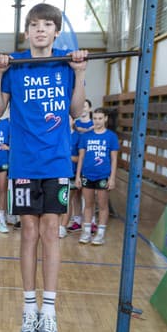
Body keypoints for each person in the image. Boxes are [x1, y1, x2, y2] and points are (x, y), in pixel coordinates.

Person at [0, 3, 88, 332]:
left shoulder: (65, 62)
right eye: (35, 25)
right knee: (28, 230)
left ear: (56, 32)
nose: (41, 30)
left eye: (48, 25)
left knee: (51, 230)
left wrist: (80, 72)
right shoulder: (15, 64)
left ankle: (50, 310)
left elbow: (77, 111)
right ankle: (28, 307)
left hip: (57, 162)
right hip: (24, 164)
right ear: (27, 32)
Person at [75, 108, 119, 245]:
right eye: (95, 118)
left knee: (102, 205)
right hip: (87, 175)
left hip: (103, 175)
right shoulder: (86, 136)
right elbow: (81, 158)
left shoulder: (111, 137)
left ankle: (100, 233)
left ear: (105, 119)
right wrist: (78, 176)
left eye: (100, 118)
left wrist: (112, 178)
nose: (97, 121)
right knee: (88, 204)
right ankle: (86, 231)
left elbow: (114, 159)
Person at [70, 98, 94, 233]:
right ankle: (77, 221)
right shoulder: (76, 123)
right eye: (82, 106)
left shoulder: (94, 123)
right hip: (75, 164)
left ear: (90, 109)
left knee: (89, 196)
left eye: (86, 106)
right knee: (75, 196)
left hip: (89, 164)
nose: (83, 109)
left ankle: (91, 221)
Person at [59, 115, 80, 238]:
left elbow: (80, 158)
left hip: (71, 173)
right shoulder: (59, 135)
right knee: (60, 201)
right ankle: (59, 224)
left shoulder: (78, 136)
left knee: (67, 201)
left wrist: (66, 157)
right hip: (59, 173)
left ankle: (63, 226)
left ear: (73, 121)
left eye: (69, 118)